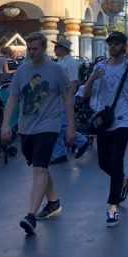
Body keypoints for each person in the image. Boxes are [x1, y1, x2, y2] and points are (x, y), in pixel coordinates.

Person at [1, 32, 76, 235]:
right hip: (26, 127)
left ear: (44, 49)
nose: (31, 52)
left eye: (35, 49)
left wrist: (71, 127)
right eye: (29, 49)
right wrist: (6, 124)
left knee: (39, 169)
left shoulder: (56, 70)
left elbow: (67, 99)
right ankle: (53, 202)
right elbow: (13, 99)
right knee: (39, 166)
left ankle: (30, 216)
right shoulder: (22, 71)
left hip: (48, 126)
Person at [81, 31, 128, 227]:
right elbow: (85, 94)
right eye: (110, 43)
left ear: (124, 46)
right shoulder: (100, 67)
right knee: (104, 163)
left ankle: (112, 207)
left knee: (116, 161)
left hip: (123, 119)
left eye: (117, 43)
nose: (112, 46)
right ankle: (123, 182)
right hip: (104, 120)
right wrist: (91, 79)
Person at [49, 38, 90, 166]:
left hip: (64, 97)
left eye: (56, 47)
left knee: (61, 125)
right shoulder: (60, 61)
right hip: (58, 97)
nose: (54, 49)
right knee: (57, 125)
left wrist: (67, 97)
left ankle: (80, 141)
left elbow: (73, 83)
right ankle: (61, 152)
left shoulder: (71, 63)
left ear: (63, 48)